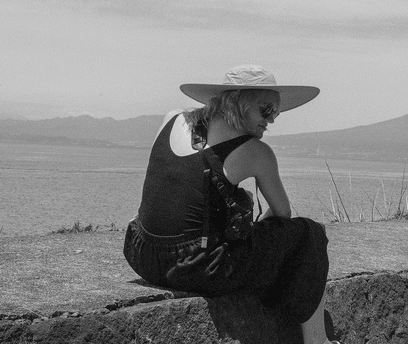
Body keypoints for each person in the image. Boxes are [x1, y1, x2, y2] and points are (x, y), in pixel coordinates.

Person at [123, 64, 337, 344]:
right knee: (309, 234)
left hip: (142, 253)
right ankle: (318, 341)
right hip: (195, 268)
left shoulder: (172, 119)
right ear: (238, 104)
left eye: (276, 112)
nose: (271, 120)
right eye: (266, 110)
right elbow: (283, 214)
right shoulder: (256, 152)